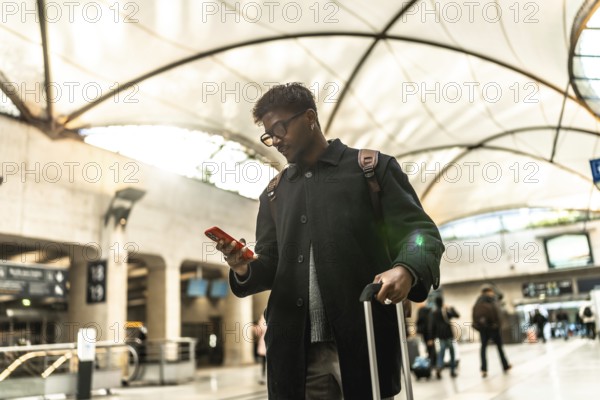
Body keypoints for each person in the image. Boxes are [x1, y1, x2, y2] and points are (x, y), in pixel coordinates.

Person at [216, 83, 444, 399]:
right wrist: (243, 267)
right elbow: (268, 264)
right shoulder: (274, 193)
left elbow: (421, 233)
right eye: (269, 135)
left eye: (280, 128)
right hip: (295, 353)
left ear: (310, 117)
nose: (275, 140)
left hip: (364, 339)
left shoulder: (372, 169)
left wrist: (406, 267)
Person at [472, 286, 511, 378]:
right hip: (494, 328)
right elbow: (498, 313)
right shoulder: (492, 300)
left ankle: (483, 369)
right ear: (489, 292)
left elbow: (474, 316)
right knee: (499, 347)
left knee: (483, 348)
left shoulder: (477, 302)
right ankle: (505, 365)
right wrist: (497, 325)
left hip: (483, 329)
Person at [428, 296, 459, 379]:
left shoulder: (433, 313)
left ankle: (439, 367)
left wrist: (431, 338)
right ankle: (452, 371)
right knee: (452, 353)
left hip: (440, 336)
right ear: (442, 302)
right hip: (448, 335)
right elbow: (457, 315)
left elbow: (432, 326)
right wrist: (451, 308)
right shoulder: (445, 311)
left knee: (441, 354)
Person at [416, 300, 437, 369]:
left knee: (430, 349)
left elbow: (421, 322)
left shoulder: (422, 311)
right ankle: (433, 364)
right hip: (430, 334)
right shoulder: (429, 311)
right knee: (431, 349)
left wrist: (430, 337)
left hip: (427, 334)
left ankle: (432, 364)